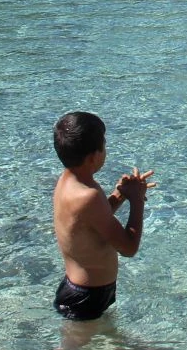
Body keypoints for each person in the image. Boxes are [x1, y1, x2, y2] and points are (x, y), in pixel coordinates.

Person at [51, 111, 154, 322]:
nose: (106, 151)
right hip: (87, 296)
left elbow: (91, 221)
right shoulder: (89, 195)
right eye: (104, 146)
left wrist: (119, 195)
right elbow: (128, 247)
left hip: (78, 288)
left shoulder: (68, 181)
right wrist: (136, 201)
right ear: (92, 157)